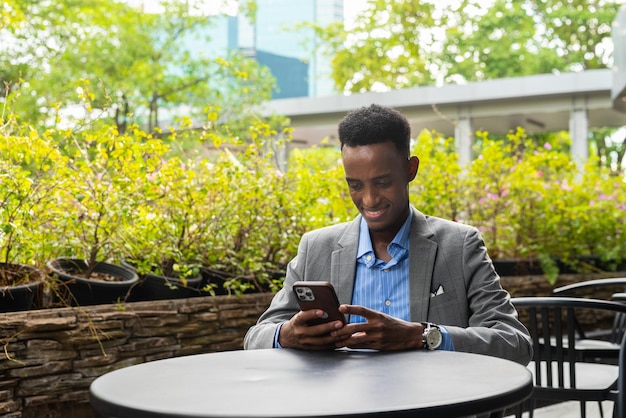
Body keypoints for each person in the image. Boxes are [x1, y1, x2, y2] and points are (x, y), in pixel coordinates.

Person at [244, 104, 532, 365]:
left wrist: (423, 336)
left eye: (382, 182)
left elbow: (515, 344)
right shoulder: (316, 247)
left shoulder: (459, 245)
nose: (369, 200)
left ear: (410, 169)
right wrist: (286, 335)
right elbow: (255, 338)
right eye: (355, 185)